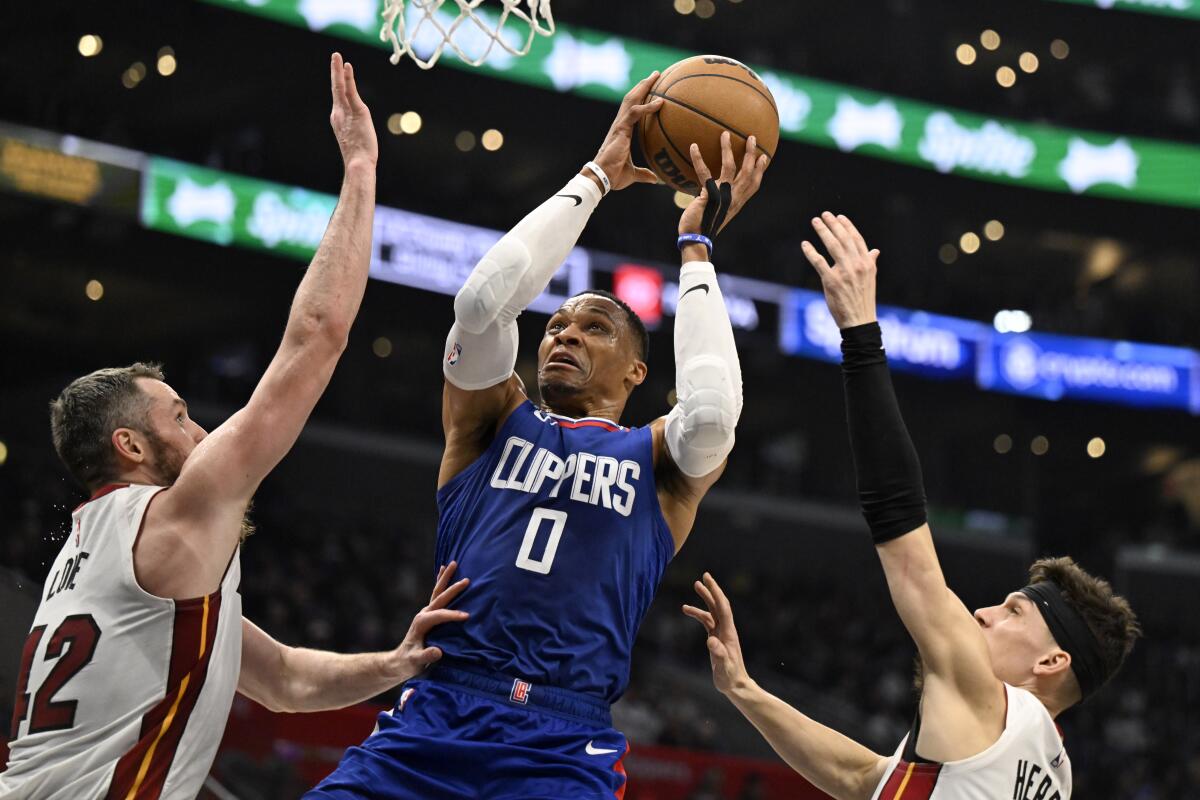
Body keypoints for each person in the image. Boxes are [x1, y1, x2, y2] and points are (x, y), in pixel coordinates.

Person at [2, 54, 470, 800]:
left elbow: (280, 678)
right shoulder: (172, 516)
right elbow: (317, 336)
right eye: (181, 417)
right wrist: (360, 167)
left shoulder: (92, 557)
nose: (202, 431)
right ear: (131, 446)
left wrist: (394, 664)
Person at [308, 73, 769, 799]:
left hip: (561, 742)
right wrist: (597, 176)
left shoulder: (656, 461)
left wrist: (697, 249)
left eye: (594, 328)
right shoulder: (492, 419)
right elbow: (483, 301)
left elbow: (712, 413)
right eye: (557, 324)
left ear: (636, 372)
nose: (564, 334)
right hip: (435, 712)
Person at [681, 213, 1141, 800]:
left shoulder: (990, 702)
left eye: (1012, 612)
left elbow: (903, 532)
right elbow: (864, 778)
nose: (983, 613)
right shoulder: (1049, 772)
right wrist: (743, 689)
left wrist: (859, 332)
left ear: (1051, 662)